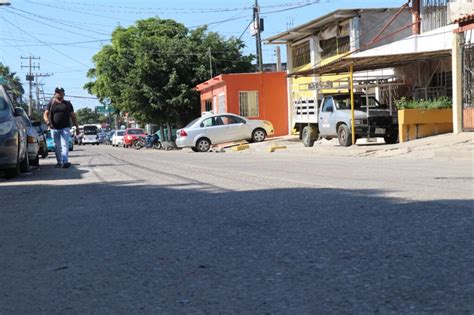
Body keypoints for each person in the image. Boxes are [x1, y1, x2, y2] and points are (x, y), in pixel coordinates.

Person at [43, 87, 79, 168]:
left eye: (61, 92)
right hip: (54, 128)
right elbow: (45, 114)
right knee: (57, 146)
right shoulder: (51, 103)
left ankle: (65, 161)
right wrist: (47, 122)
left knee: (65, 144)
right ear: (55, 94)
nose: (59, 94)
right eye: (57, 92)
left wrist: (77, 127)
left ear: (64, 93)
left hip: (65, 128)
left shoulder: (67, 104)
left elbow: (73, 116)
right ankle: (59, 162)